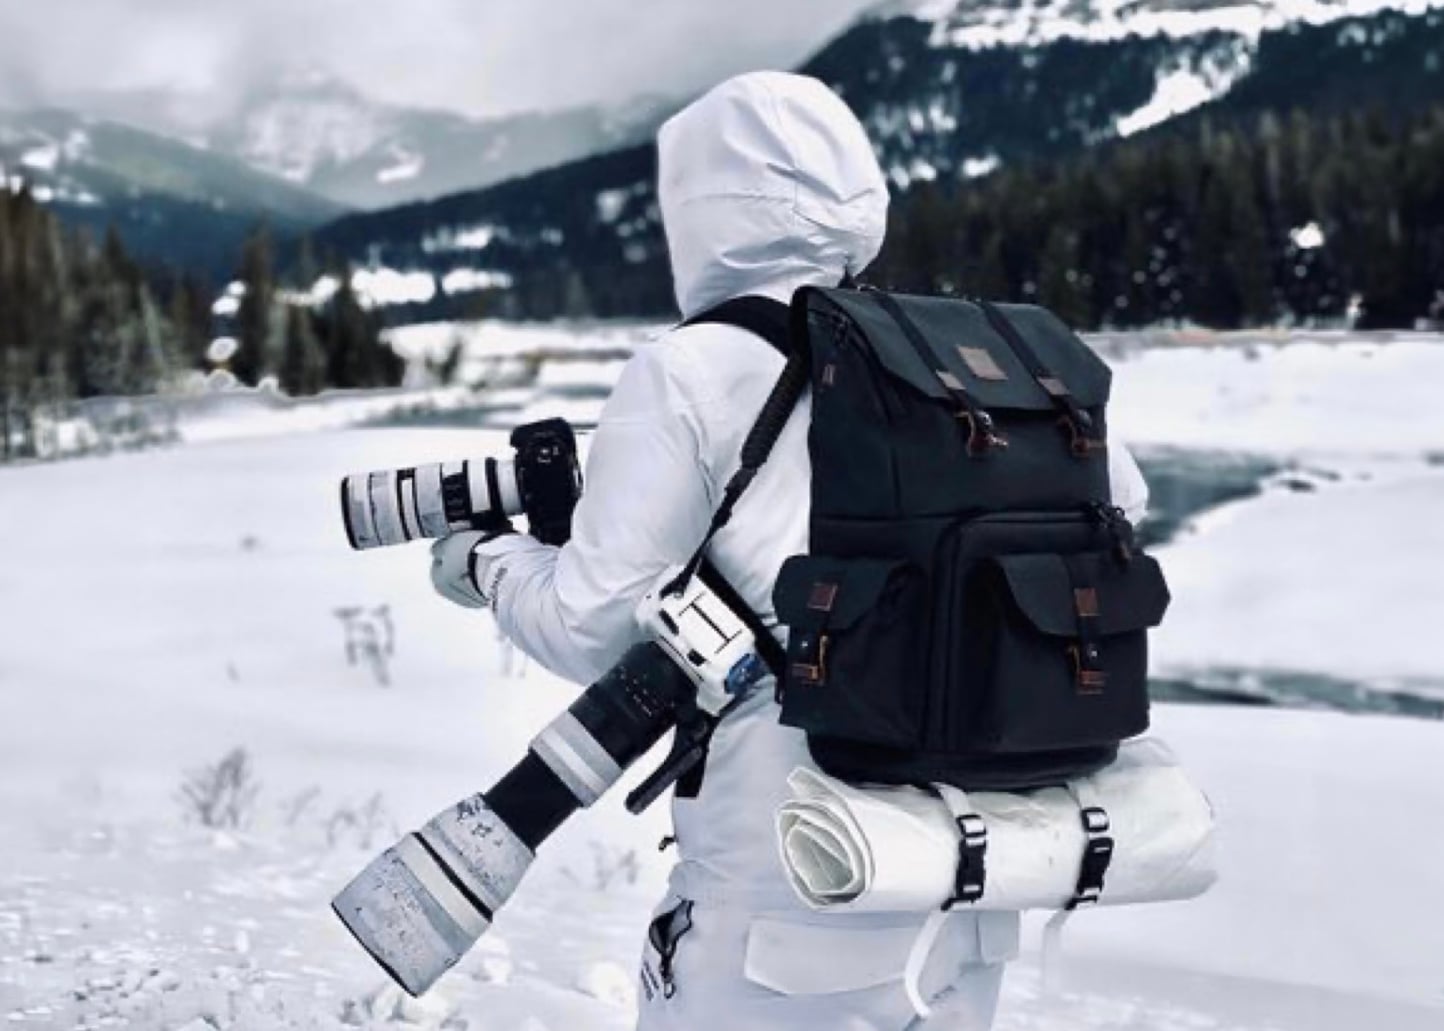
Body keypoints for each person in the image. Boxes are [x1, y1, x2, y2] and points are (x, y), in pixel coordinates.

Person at [429, 71, 1149, 1031]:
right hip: (967, 889)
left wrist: (486, 564)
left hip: (782, 895)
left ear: (699, 205)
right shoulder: (948, 358)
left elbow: (590, 625)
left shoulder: (688, 369)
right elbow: (1122, 501)